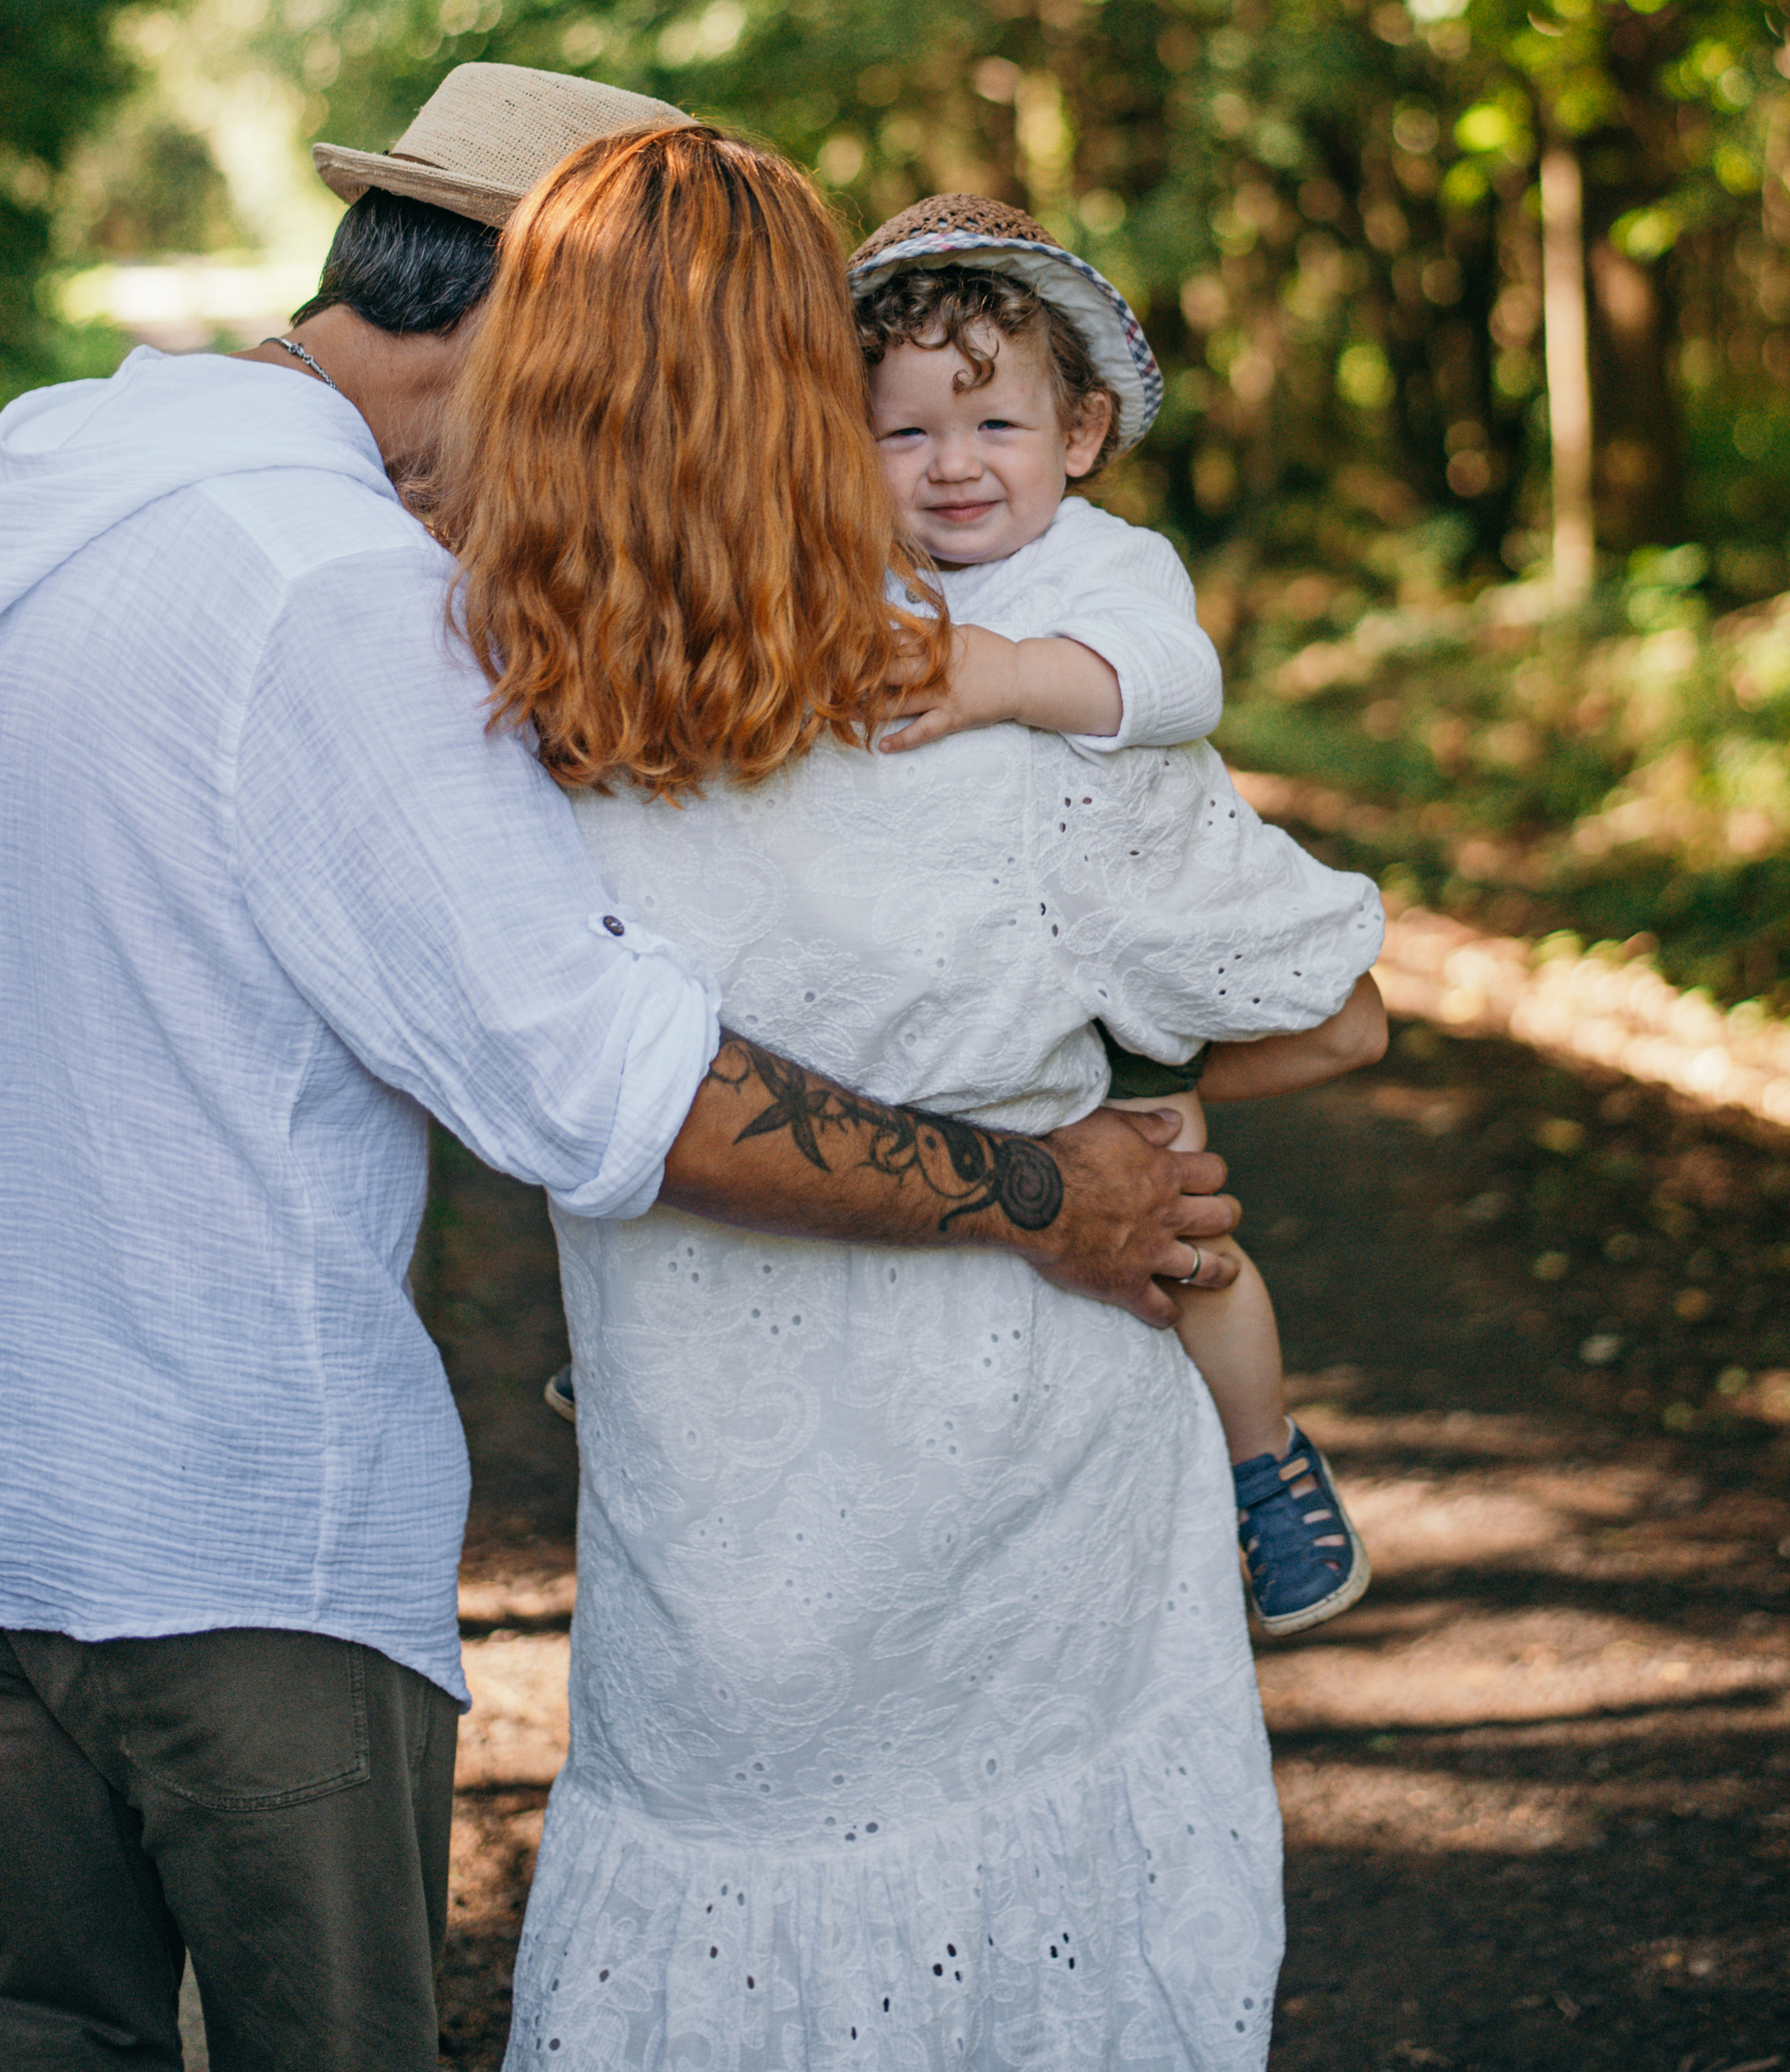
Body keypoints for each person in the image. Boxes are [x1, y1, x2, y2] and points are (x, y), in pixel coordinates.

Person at [0, 63, 1236, 2072]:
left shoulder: (49, 468)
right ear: (541, 319)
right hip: (232, 1563)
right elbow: (615, 1089)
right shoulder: (339, 598)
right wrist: (1047, 1187)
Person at [473, 122, 1386, 2072]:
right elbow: (1336, 1014)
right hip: (1014, 1471)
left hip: (698, 1469)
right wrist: (1135, 1106)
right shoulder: (977, 713)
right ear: (818, 412)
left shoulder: (513, 711)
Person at [850, 190, 1379, 1634]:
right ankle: (714, 1315)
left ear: (1078, 436)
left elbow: (1177, 683)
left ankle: (1267, 1469)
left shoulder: (1105, 562)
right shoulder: (861, 578)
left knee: (1177, 1212)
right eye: (907, 433)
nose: (954, 467)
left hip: (1130, 942)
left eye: (994, 427)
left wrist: (1009, 674)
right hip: (962, 961)